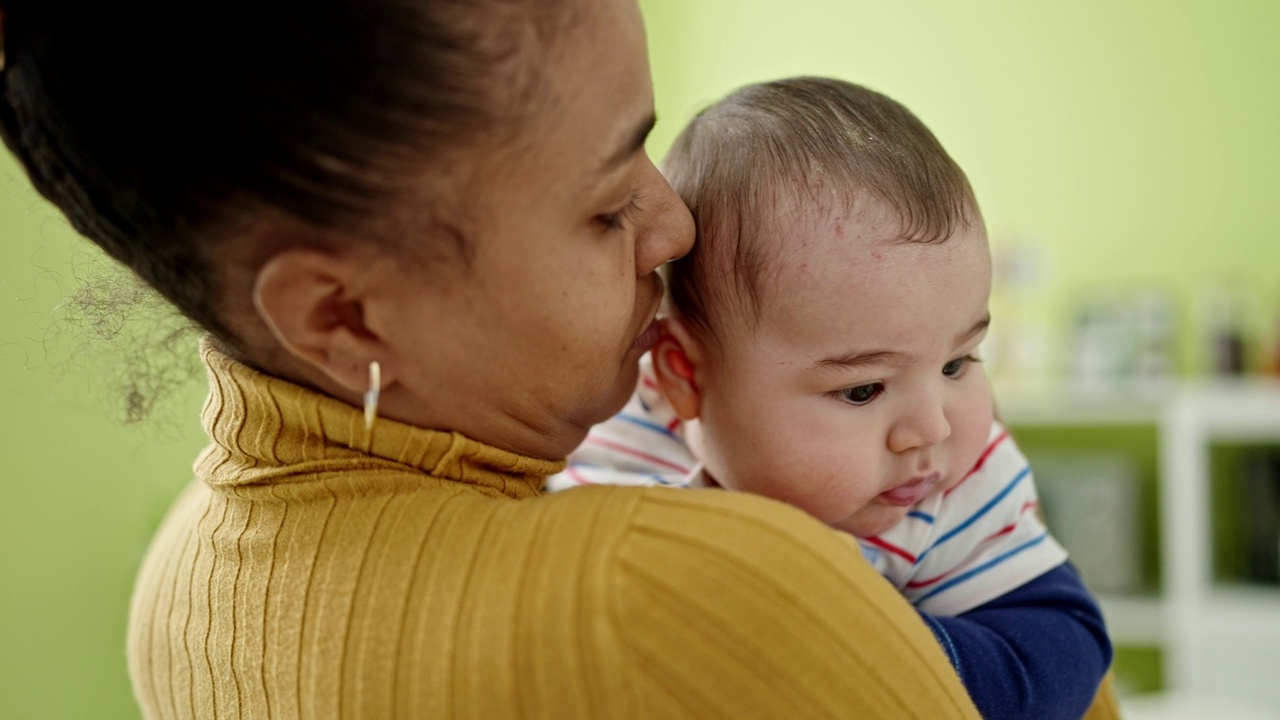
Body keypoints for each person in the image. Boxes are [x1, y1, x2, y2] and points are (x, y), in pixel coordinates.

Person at [0, 1, 1120, 717]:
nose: (673, 228)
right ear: (341, 312)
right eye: (602, 202)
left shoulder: (180, 580)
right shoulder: (680, 589)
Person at [552, 77, 1113, 719]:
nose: (931, 428)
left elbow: (1061, 643)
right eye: (863, 389)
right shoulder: (619, 445)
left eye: (958, 362)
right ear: (685, 374)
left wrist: (875, 646)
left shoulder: (960, 485)